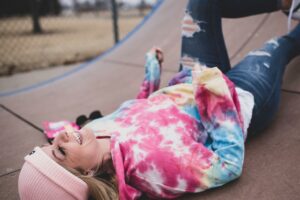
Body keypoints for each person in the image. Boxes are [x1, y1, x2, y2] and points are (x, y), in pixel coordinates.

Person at [18, 0, 300, 199]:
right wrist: (216, 99)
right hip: (237, 101)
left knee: (200, 3)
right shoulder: (153, 168)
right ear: (88, 175)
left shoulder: (95, 131)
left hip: (192, 79)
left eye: (51, 144)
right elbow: (228, 165)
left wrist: (151, 75)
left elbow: (139, 113)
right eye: (60, 152)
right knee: (280, 45)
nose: (62, 137)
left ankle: (287, 2)